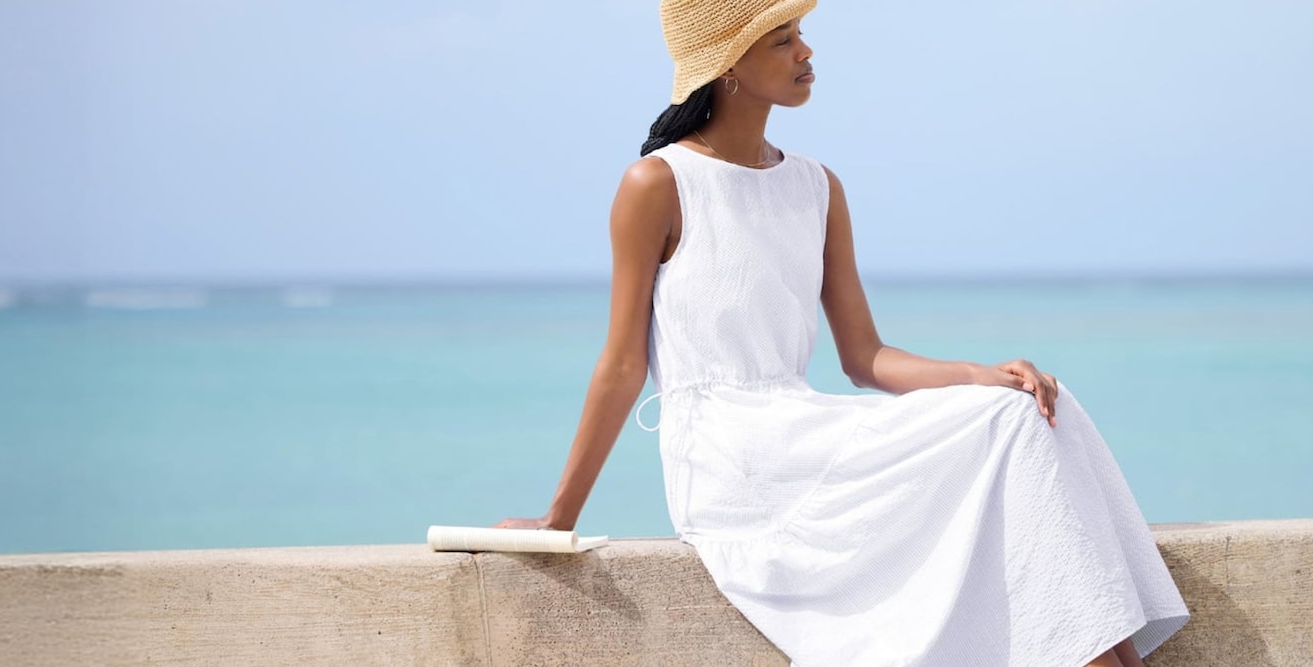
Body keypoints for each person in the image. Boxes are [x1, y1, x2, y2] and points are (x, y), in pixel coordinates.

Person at [494, 1, 1190, 664]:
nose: (807, 50)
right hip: (731, 460)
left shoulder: (817, 186)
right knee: (1010, 429)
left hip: (802, 425)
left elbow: (866, 357)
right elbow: (621, 366)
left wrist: (983, 372)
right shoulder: (657, 183)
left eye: (798, 32)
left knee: (1032, 410)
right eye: (783, 39)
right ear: (728, 65)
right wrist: (560, 517)